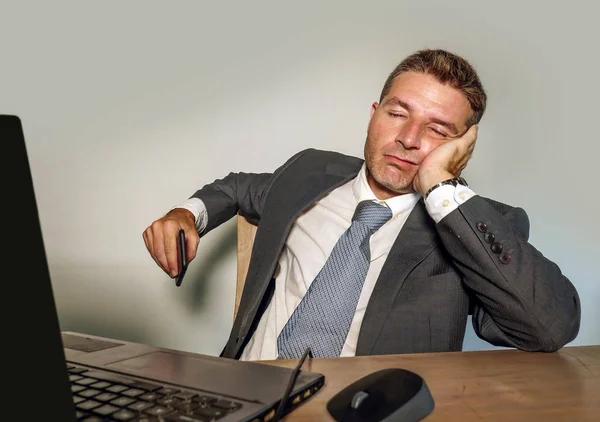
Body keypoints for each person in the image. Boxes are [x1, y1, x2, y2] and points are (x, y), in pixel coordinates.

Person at [143, 49, 581, 361]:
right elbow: (237, 188)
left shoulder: (482, 224)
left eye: (438, 130)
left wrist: (442, 189)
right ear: (374, 112)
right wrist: (188, 213)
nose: (408, 139)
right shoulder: (309, 172)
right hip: (246, 391)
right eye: (397, 113)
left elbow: (549, 327)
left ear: (464, 147)